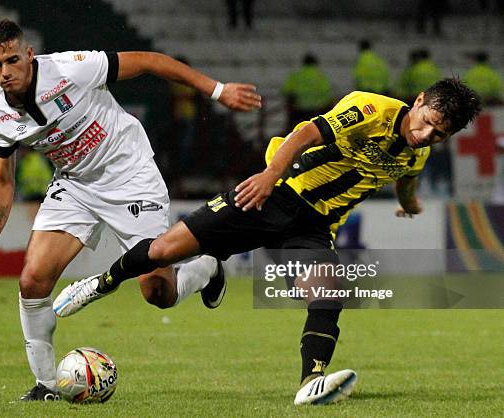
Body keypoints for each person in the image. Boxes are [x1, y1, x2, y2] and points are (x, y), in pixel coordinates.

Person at [57, 78, 481, 405]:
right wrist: (267, 178)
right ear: (420, 100)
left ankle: (310, 381)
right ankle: (100, 284)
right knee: (165, 254)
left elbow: (407, 180)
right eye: (427, 123)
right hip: (277, 192)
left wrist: (410, 204)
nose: (427, 136)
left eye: (439, 134)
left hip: (313, 227)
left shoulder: (417, 152)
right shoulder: (371, 108)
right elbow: (303, 135)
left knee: (328, 290)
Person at [0, 19, 261, 401]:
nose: (5, 73)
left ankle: (206, 267)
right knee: (32, 281)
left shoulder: (71, 68)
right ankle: (45, 386)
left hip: (131, 176)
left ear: (28, 54)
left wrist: (217, 90)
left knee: (159, 293)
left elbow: (149, 61)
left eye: (12, 60)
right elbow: (3, 180)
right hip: (74, 184)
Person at [281, 53, 334, 133]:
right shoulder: (321, 76)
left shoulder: (296, 76)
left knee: (296, 131)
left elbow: (286, 91)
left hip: (299, 110)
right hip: (317, 110)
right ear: (315, 63)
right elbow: (328, 94)